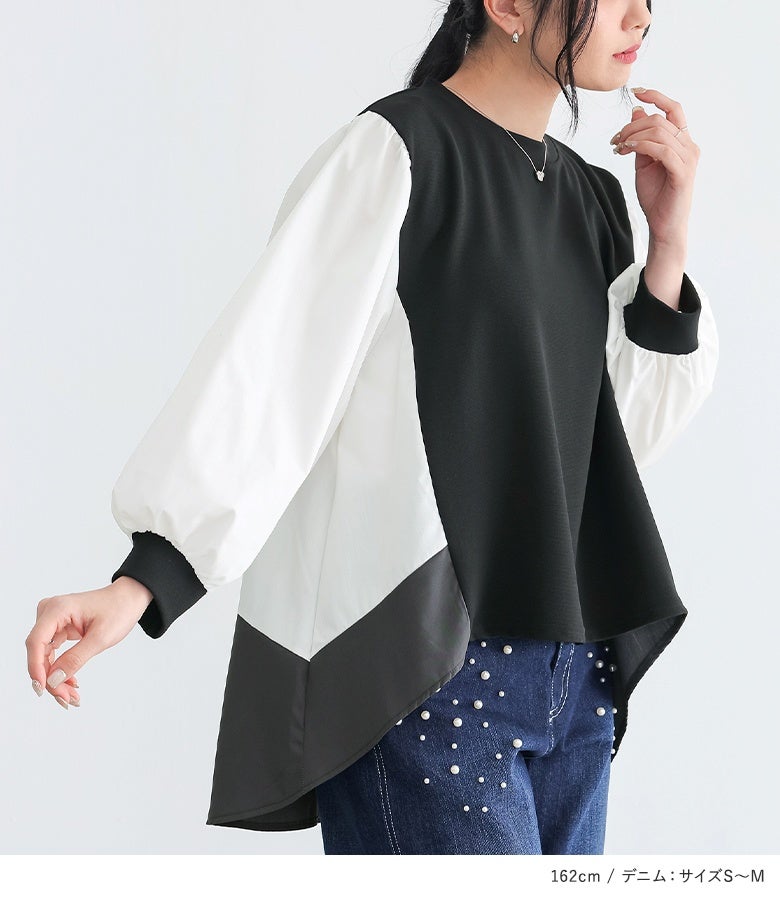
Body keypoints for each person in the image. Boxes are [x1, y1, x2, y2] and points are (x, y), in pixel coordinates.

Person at [25, 0, 719, 854]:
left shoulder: (591, 195)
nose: (641, 14)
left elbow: (617, 437)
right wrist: (147, 575)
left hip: (575, 680)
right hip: (429, 667)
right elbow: (276, 365)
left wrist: (667, 246)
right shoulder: (398, 152)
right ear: (507, 5)